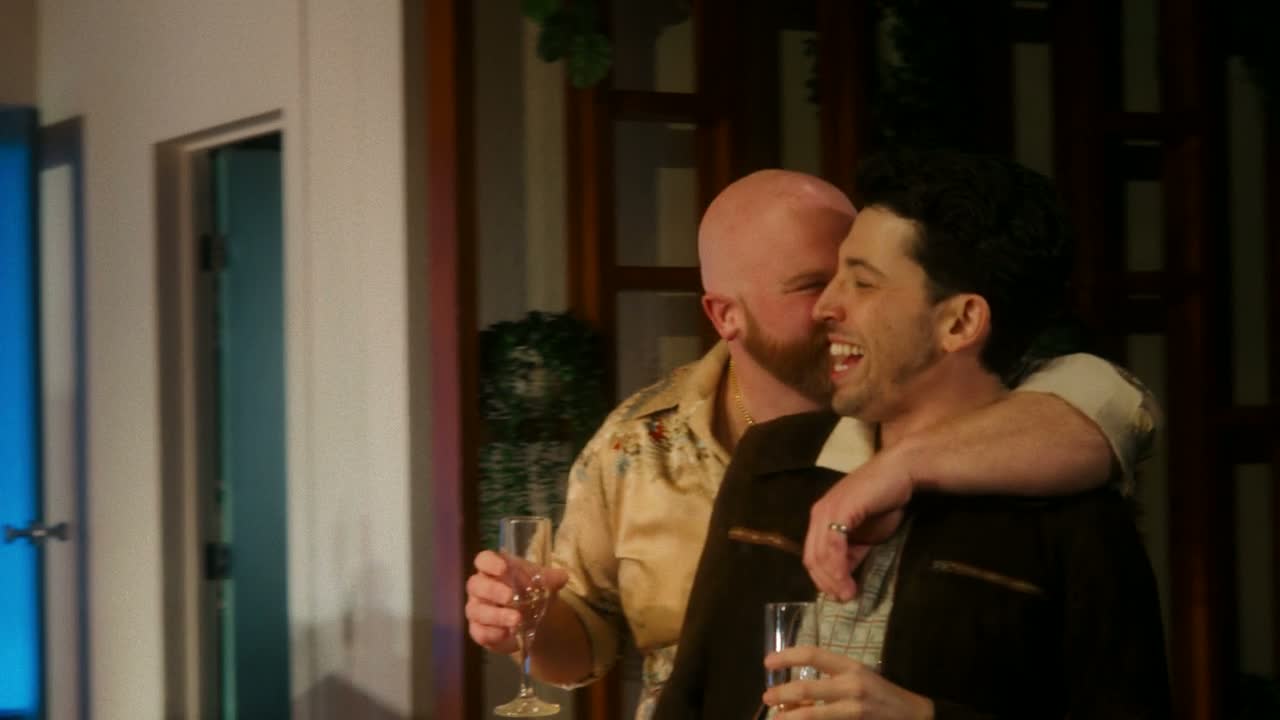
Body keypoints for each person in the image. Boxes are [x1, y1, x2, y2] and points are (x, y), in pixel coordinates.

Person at [465, 169, 1158, 719]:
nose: (832, 306)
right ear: (725, 315)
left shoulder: (1059, 456)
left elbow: (1111, 402)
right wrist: (530, 619)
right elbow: (660, 676)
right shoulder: (715, 455)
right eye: (815, 284)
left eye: (859, 279)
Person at [654, 150, 1169, 719]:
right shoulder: (772, 461)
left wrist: (922, 716)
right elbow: (688, 698)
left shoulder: (1077, 516)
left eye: (862, 282)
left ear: (960, 322)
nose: (826, 306)